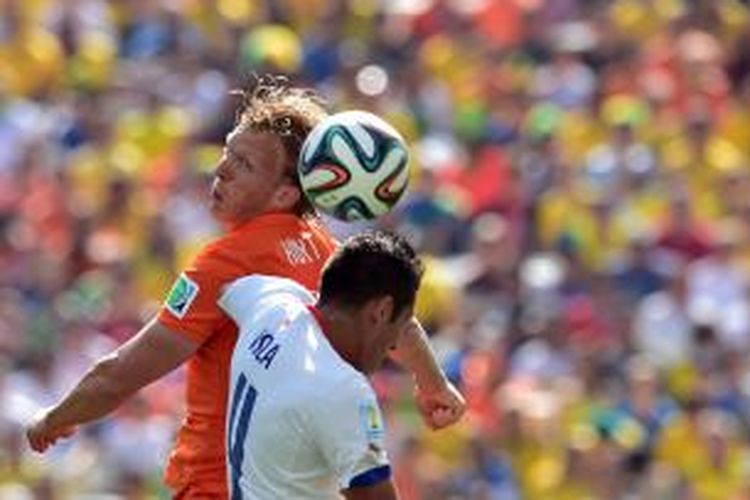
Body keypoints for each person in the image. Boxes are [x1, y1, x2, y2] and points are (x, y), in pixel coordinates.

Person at [25, 74, 465, 498]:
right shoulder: (324, 251)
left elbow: (121, 374)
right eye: (228, 153)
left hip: (217, 488)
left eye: (245, 164)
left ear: (285, 194)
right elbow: (399, 325)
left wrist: (55, 417)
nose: (222, 169)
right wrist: (433, 384)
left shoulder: (226, 265)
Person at [220, 231, 423, 499]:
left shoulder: (272, 304)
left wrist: (433, 380)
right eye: (402, 323)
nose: (396, 341)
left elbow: (223, 286)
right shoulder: (343, 388)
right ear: (381, 311)